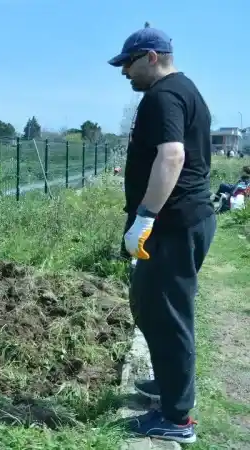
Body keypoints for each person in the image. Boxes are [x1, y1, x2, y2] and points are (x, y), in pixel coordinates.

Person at [109, 23, 217, 444]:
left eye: (128, 64)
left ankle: (176, 420)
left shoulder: (164, 95)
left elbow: (172, 155)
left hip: (173, 224)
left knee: (168, 316)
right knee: (157, 310)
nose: (124, 73)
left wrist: (146, 216)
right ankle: (171, 387)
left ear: (151, 57)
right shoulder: (186, 90)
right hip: (183, 221)